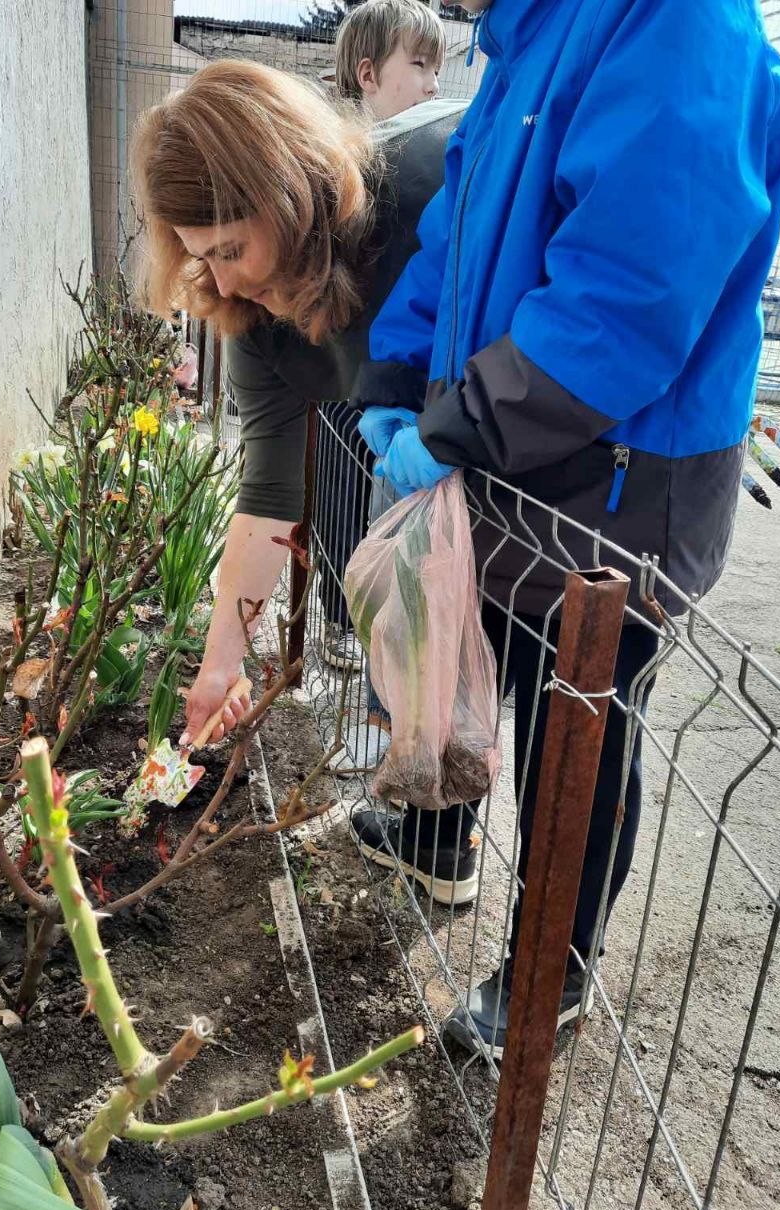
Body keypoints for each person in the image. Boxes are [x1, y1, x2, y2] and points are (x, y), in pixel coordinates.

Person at [349, 0, 780, 1055]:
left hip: (625, 465)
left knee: (578, 726)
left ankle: (552, 968)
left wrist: (464, 421)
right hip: (520, 435)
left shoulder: (677, 18)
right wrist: (398, 373)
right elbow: (457, 234)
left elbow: (631, 289)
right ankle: (440, 837)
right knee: (479, 645)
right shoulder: (531, 31)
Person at [131, 59, 463, 798]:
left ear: (290, 201)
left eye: (229, 250)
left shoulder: (421, 198)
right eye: (199, 256)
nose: (220, 282)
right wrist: (220, 663)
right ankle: (435, 833)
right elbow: (269, 492)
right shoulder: (249, 314)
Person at [316, 0, 446, 771]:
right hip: (355, 388)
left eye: (436, 67)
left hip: (412, 398)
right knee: (359, 532)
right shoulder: (349, 168)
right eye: (419, 66)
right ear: (368, 74)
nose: (433, 84)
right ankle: (358, 665)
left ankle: (385, 709)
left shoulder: (439, 160)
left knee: (400, 552)